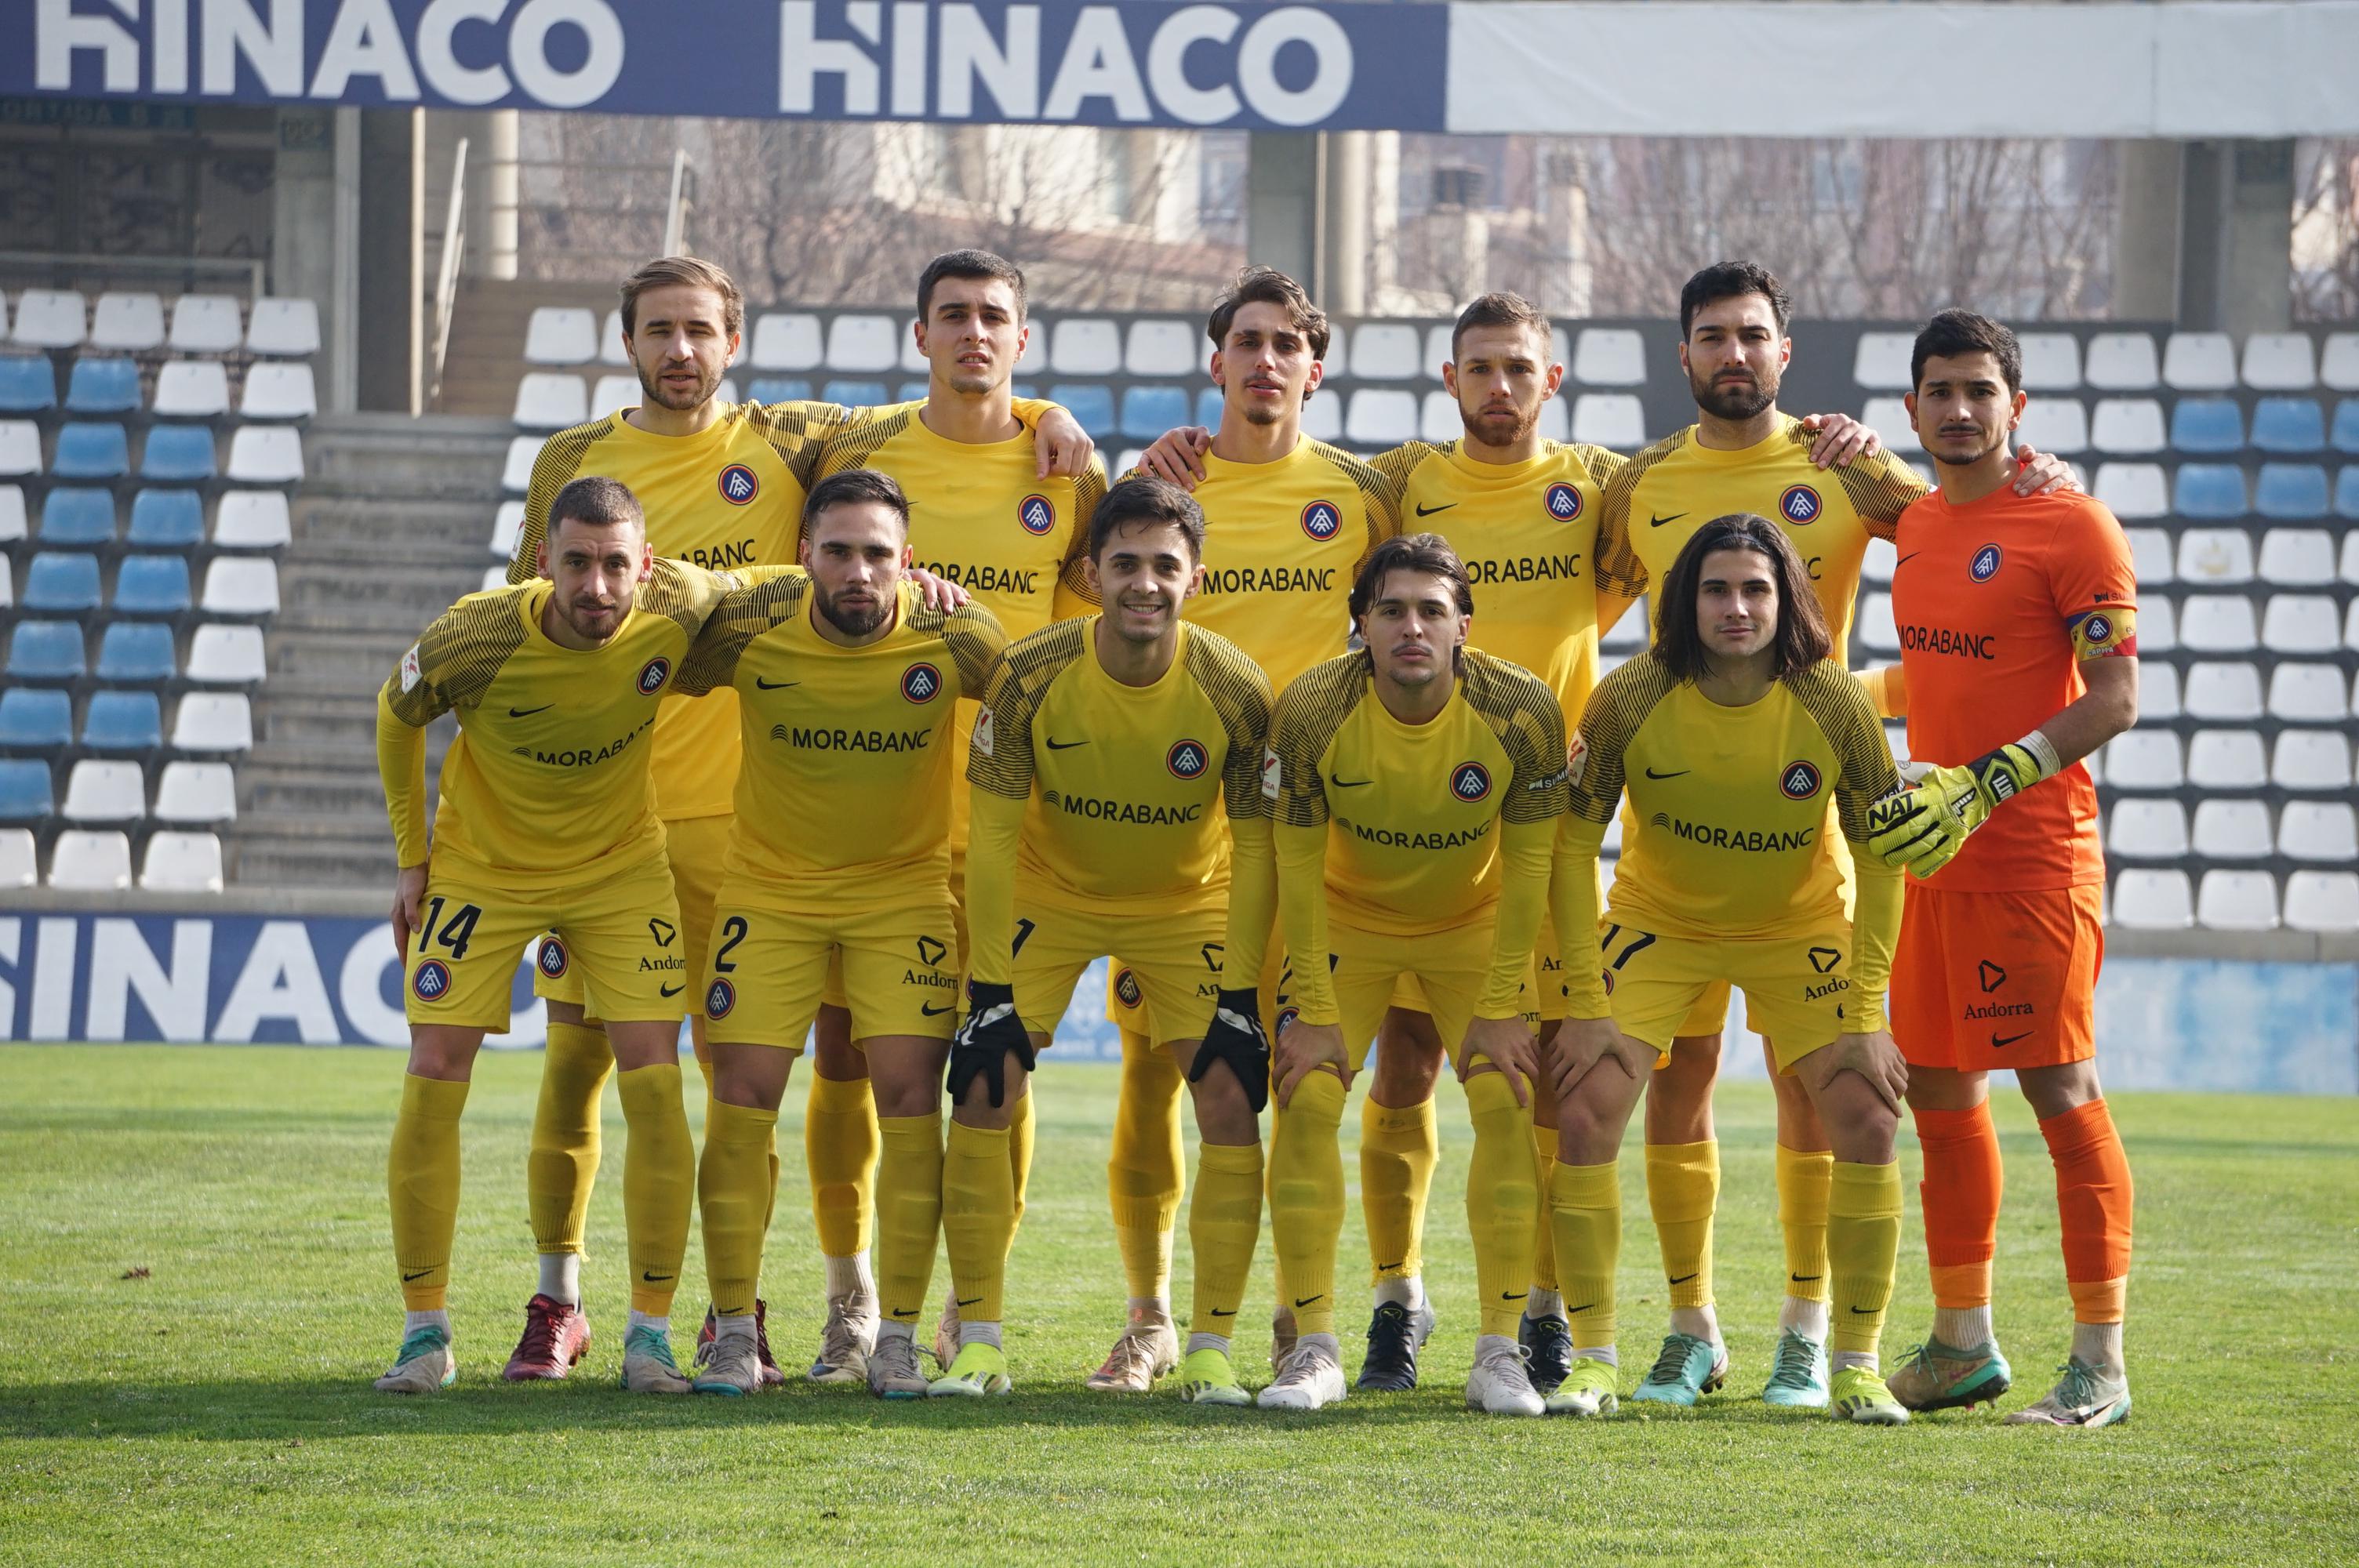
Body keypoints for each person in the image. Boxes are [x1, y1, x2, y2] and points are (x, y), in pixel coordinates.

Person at [1137, 292, 1886, 1393]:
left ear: (1552, 380)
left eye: (1518, 368)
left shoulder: (1606, 486)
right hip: (1382, 824)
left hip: (1535, 829)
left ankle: (1541, 1315)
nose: (1499, 386)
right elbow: (1291, 482)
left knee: (1539, 1081)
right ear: (1450, 379)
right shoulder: (1400, 481)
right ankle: (1390, 1302)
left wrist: (1849, 446)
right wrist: (1176, 453)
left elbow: (1720, 527)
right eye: (1479, 368)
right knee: (1397, 1070)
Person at [501, 255, 1090, 1387]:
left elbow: (963, 396)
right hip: (623, 822)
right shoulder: (571, 461)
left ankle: (861, 1307)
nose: (681, 350)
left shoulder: (792, 436)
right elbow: (539, 623)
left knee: (865, 1071)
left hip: (800, 831)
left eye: (700, 330)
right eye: (659, 330)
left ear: (736, 342)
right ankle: (564, 1302)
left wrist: (1047, 413)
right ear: (627, 342)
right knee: (589, 1064)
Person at [1587, 260, 2074, 1410]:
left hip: (1812, 834)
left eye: (1752, 334)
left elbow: (1967, 526)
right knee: (1677, 1079)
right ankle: (1690, 1329)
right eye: (1713, 336)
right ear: (1684, 353)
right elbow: (1576, 610)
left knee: (1817, 1087)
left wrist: (2037, 478)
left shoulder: (1847, 465)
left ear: (1784, 351)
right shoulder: (1638, 482)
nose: (1734, 354)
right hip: (1672, 844)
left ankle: (1809, 1334)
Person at [1073, 265, 1401, 1393]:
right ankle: (1152, 1317)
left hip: (1313, 838)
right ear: (1216, 362)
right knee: (1154, 1077)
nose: (1266, 361)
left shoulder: (1363, 494)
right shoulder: (1159, 487)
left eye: (1286, 344)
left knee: (1310, 1079)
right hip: (1179, 834)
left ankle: (1298, 1316)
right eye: (1247, 342)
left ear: (1317, 368)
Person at [798, 250, 1108, 1381]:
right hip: (870, 815)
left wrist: (1056, 419)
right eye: (952, 315)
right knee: (844, 1058)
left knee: (995, 1064)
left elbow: (1090, 624)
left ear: (1022, 338)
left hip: (1007, 825)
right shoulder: (859, 449)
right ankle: (848, 1296)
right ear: (918, 333)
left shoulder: (1066, 468)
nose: (973, 332)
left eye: (994, 317)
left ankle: (969, 1304)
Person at [372, 476, 733, 1395]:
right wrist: (412, 859)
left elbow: (788, 585)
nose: (597, 585)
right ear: (544, 561)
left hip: (619, 870)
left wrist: (914, 585)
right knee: (434, 1069)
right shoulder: (475, 633)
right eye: (577, 562)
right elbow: (394, 713)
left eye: (615, 565)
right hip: (483, 871)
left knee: (654, 1078)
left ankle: (648, 1335)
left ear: (646, 566)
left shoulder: (678, 601)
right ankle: (424, 1332)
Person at [1548, 513, 1912, 1425]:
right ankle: (1612, 1353)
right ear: (1685, 600)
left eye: (1755, 588)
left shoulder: (1833, 700)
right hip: (1660, 922)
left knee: (1867, 1113)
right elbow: (1568, 847)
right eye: (1715, 589)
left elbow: (1881, 860)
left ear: (1786, 598)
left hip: (1796, 925)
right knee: (1583, 1106)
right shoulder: (1628, 695)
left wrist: (1867, 1012)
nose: (1735, 607)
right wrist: (1583, 1000)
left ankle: (1834, 1350)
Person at [662, 469, 1005, 1399]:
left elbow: (1041, 707)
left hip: (903, 896)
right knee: (740, 1096)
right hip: (768, 893)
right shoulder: (750, 622)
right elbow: (632, 644)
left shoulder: (956, 632)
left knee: (908, 1100)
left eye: (878, 554)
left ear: (909, 561)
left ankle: (894, 1337)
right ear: (804, 553)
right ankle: (734, 1335)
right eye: (839, 551)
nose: (859, 572)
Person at [947, 475, 1277, 1403]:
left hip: (1183, 901)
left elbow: (1255, 848)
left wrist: (1240, 994)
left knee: (1227, 1092)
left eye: (1164, 565)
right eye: (1124, 563)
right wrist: (988, 990)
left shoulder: (1234, 687)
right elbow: (993, 837)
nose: (1144, 583)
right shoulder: (1029, 672)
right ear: (1090, 573)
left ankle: (1206, 1346)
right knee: (984, 1081)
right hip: (1052, 892)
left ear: (1195, 576)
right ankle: (977, 1339)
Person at [1868, 309, 2139, 1429]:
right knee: (1936, 1089)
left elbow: (2114, 700)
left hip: (2033, 860)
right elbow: (1938, 671)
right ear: (1912, 408)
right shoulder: (1917, 521)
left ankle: (2099, 1364)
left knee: (2058, 1091)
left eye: (1980, 390)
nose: (1960, 409)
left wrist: (1992, 778)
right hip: (1933, 859)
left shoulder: (2073, 524)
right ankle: (1961, 1343)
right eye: (1940, 390)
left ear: (2014, 406)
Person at [1262, 533, 1565, 1415]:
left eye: (1432, 610)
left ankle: (1498, 1352)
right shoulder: (1311, 707)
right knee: (1307, 1093)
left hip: (1472, 924)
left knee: (1505, 1094)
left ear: (1464, 624)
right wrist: (1314, 1007)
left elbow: (1531, 869)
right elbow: (1294, 868)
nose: (1411, 627)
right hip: (1347, 920)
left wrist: (1504, 1001)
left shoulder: (1520, 707)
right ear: (1360, 622)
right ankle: (1313, 1348)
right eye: (1390, 609)